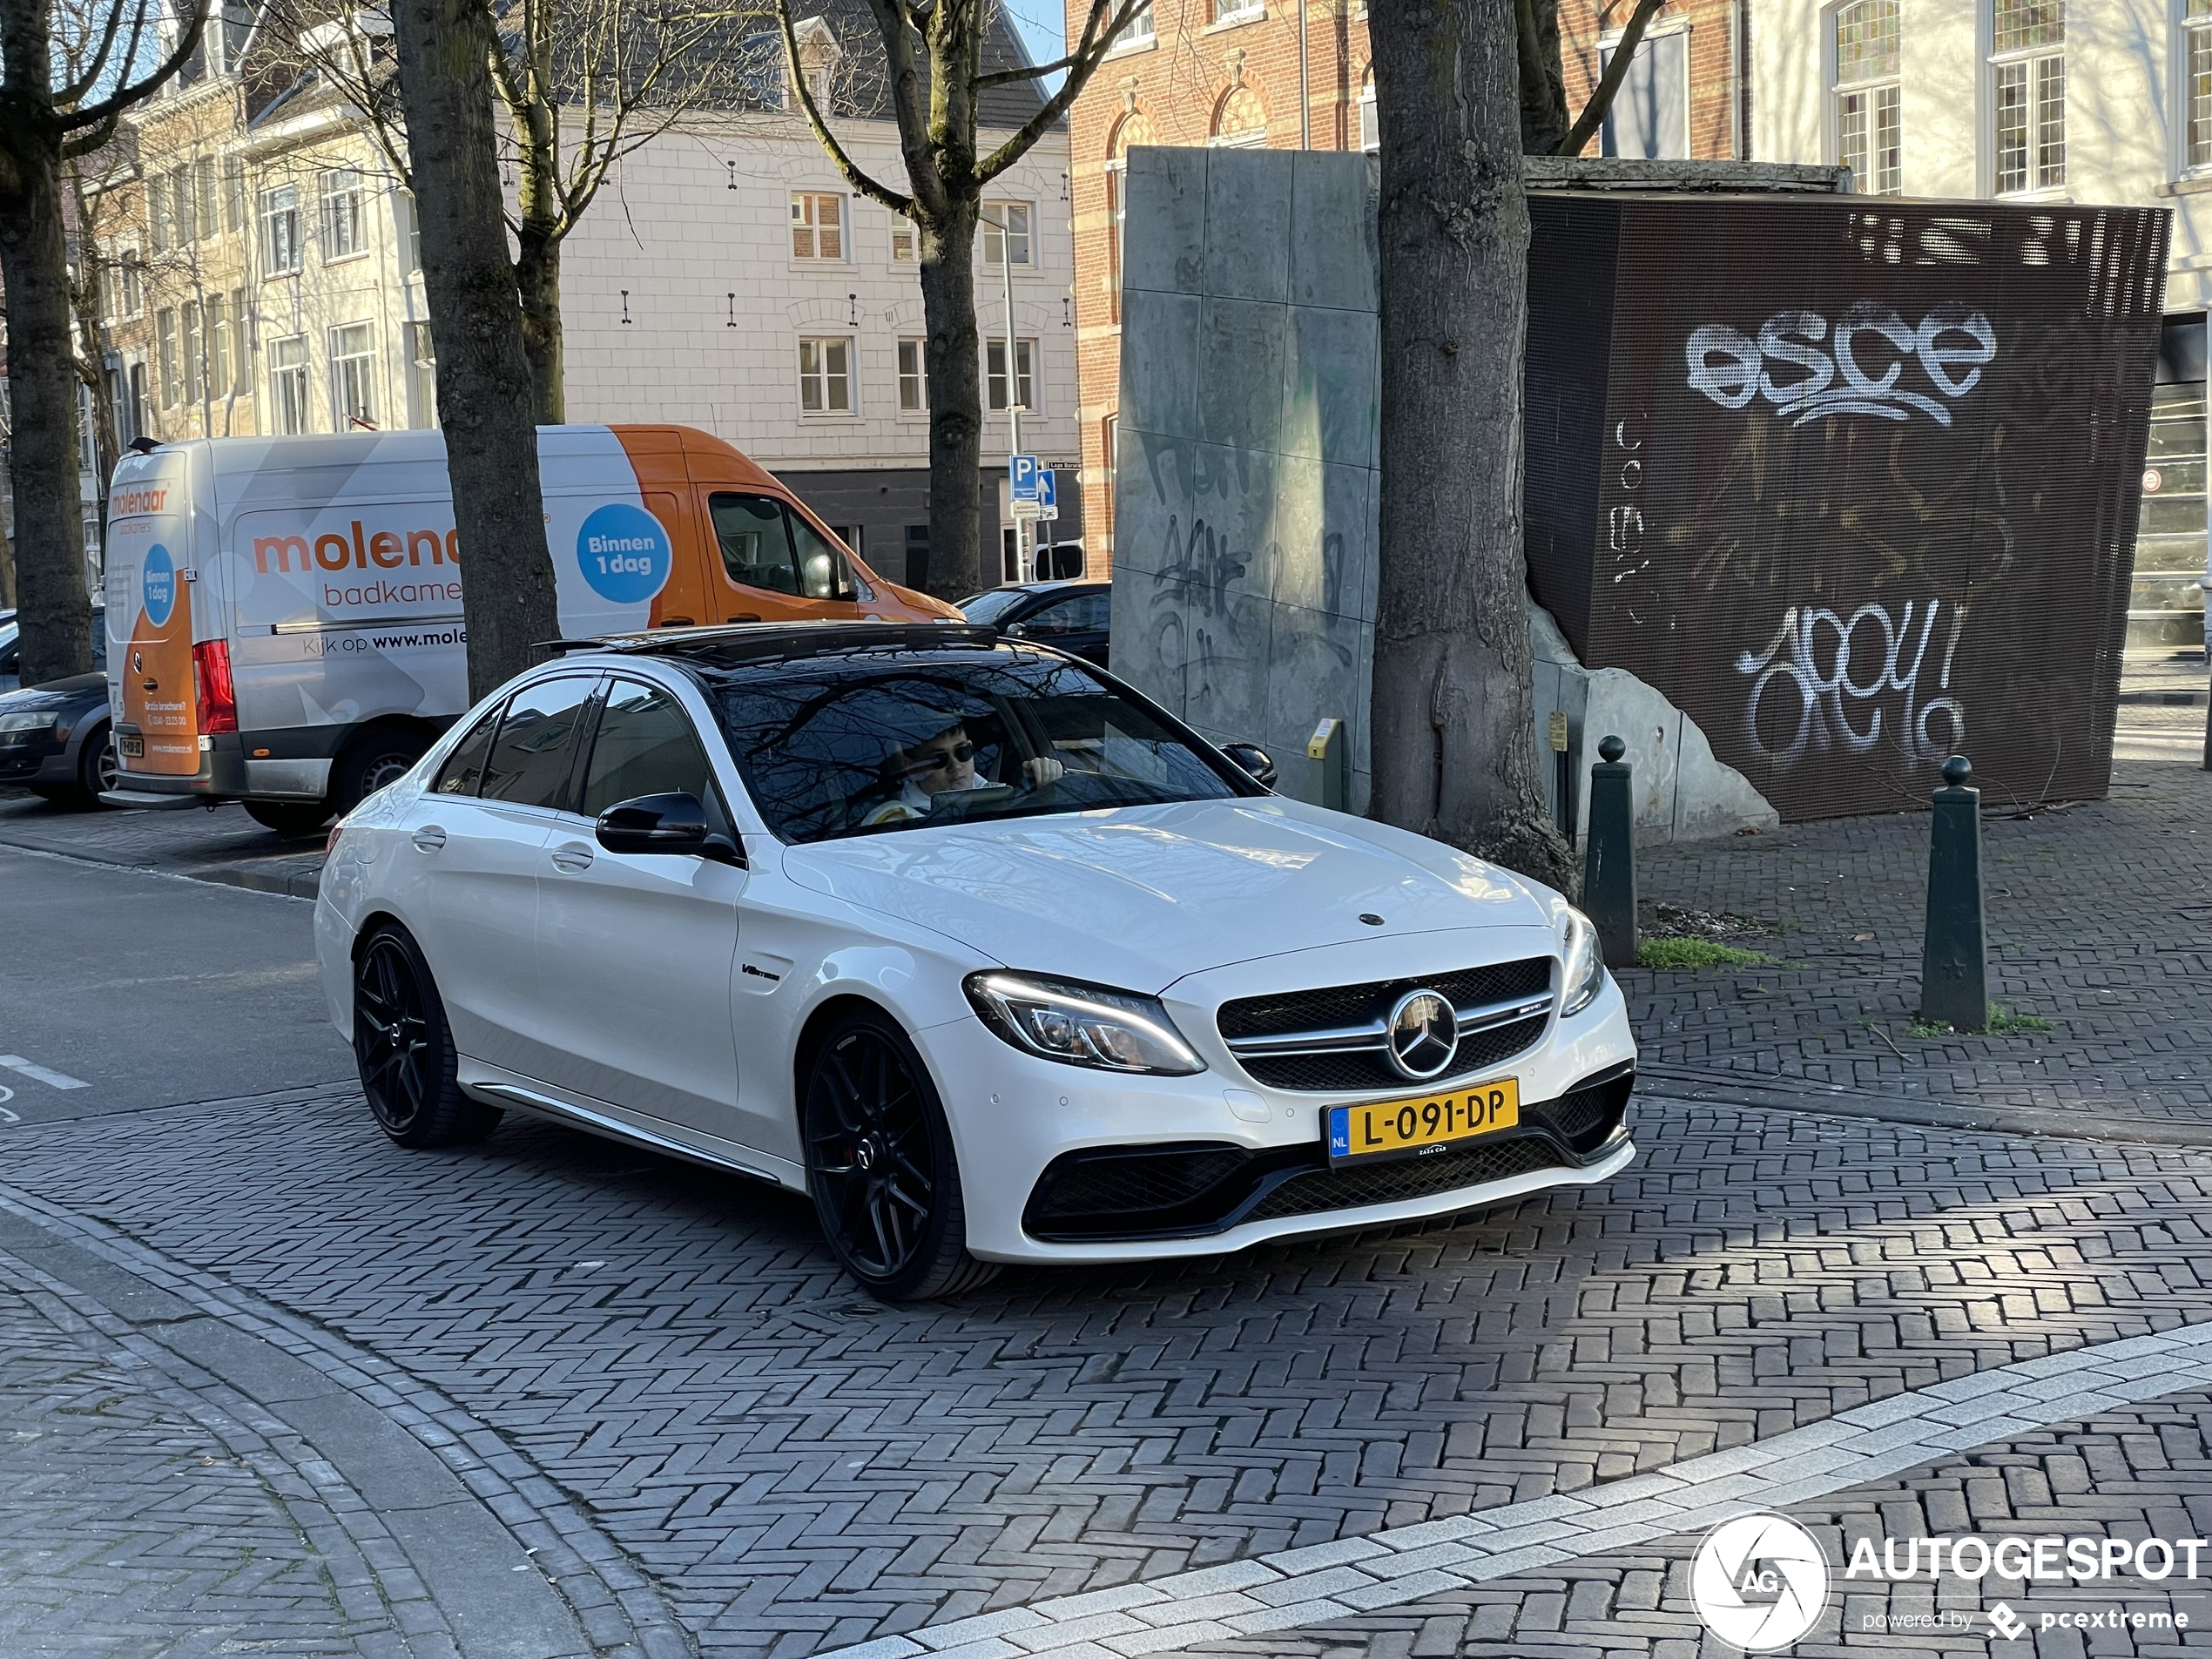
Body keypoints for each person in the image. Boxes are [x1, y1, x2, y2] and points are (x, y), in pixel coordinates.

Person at [860, 719, 1063, 826]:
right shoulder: (896, 819)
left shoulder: (1005, 795)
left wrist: (1044, 784)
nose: (955, 766)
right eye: (939, 759)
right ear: (911, 768)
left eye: (962, 752)